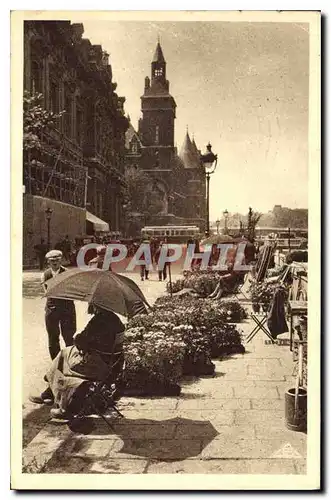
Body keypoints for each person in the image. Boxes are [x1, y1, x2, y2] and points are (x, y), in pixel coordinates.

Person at [30, 305, 125, 418]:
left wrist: (78, 338)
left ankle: (62, 406)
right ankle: (50, 393)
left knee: (63, 357)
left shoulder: (98, 320)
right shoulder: (116, 321)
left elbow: (80, 341)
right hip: (111, 367)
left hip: (96, 367)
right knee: (65, 354)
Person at [41, 250, 77, 362]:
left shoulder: (68, 273)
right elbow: (47, 292)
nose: (55, 263)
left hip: (67, 309)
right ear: (48, 262)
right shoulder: (45, 275)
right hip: (52, 309)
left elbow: (72, 290)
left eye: (57, 260)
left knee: (68, 335)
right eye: (52, 261)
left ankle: (69, 362)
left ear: (61, 260)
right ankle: (56, 363)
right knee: (52, 337)